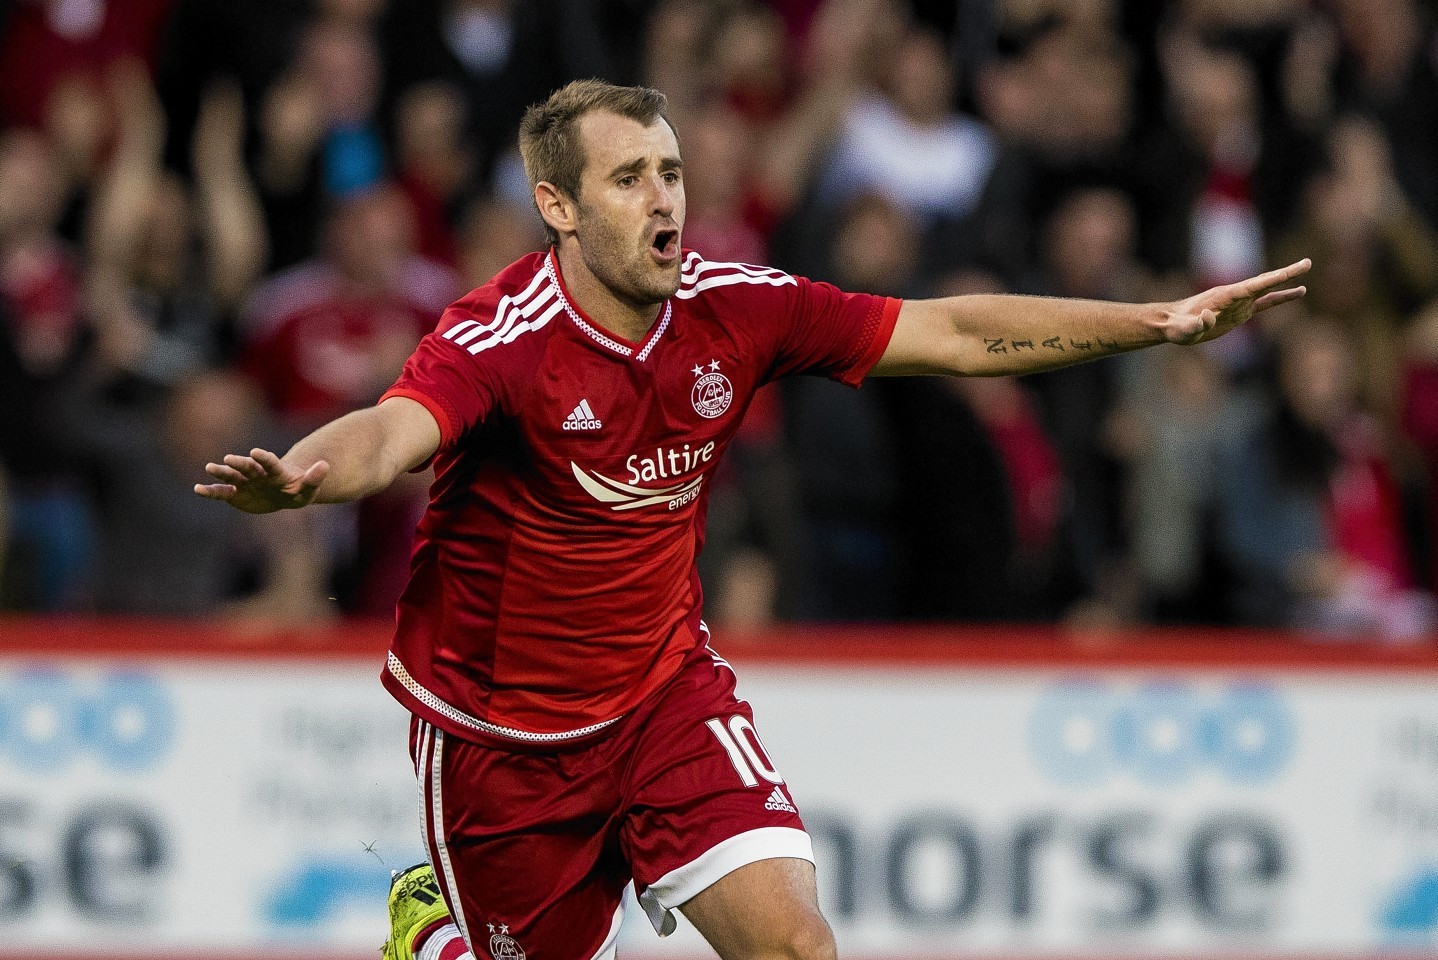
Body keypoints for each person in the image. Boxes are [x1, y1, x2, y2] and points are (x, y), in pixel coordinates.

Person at [194, 80, 1309, 960]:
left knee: (793, 943)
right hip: (506, 739)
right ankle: (432, 931)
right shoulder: (502, 340)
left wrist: (1155, 321)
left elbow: (955, 333)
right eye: (627, 179)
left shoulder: (741, 310)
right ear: (559, 208)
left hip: (662, 693)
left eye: (670, 172)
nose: (664, 199)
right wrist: (300, 476)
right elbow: (390, 434)